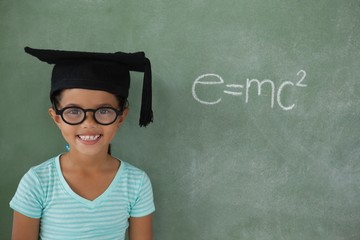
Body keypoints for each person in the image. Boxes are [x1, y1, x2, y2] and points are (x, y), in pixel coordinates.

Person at [10, 47, 155, 240]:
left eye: (104, 111)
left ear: (121, 117)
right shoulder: (37, 182)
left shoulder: (136, 183)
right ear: (56, 118)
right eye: (73, 111)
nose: (89, 124)